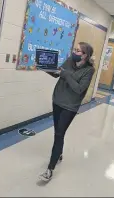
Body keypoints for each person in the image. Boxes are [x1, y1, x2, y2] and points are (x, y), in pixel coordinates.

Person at [39, 42, 95, 182]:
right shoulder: (70, 60)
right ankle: (59, 154)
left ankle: (49, 169)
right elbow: (57, 74)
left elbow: (79, 89)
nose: (74, 52)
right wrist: (45, 67)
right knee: (58, 132)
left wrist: (66, 74)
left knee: (59, 134)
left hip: (70, 106)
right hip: (57, 100)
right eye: (75, 49)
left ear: (86, 55)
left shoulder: (89, 70)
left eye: (78, 51)